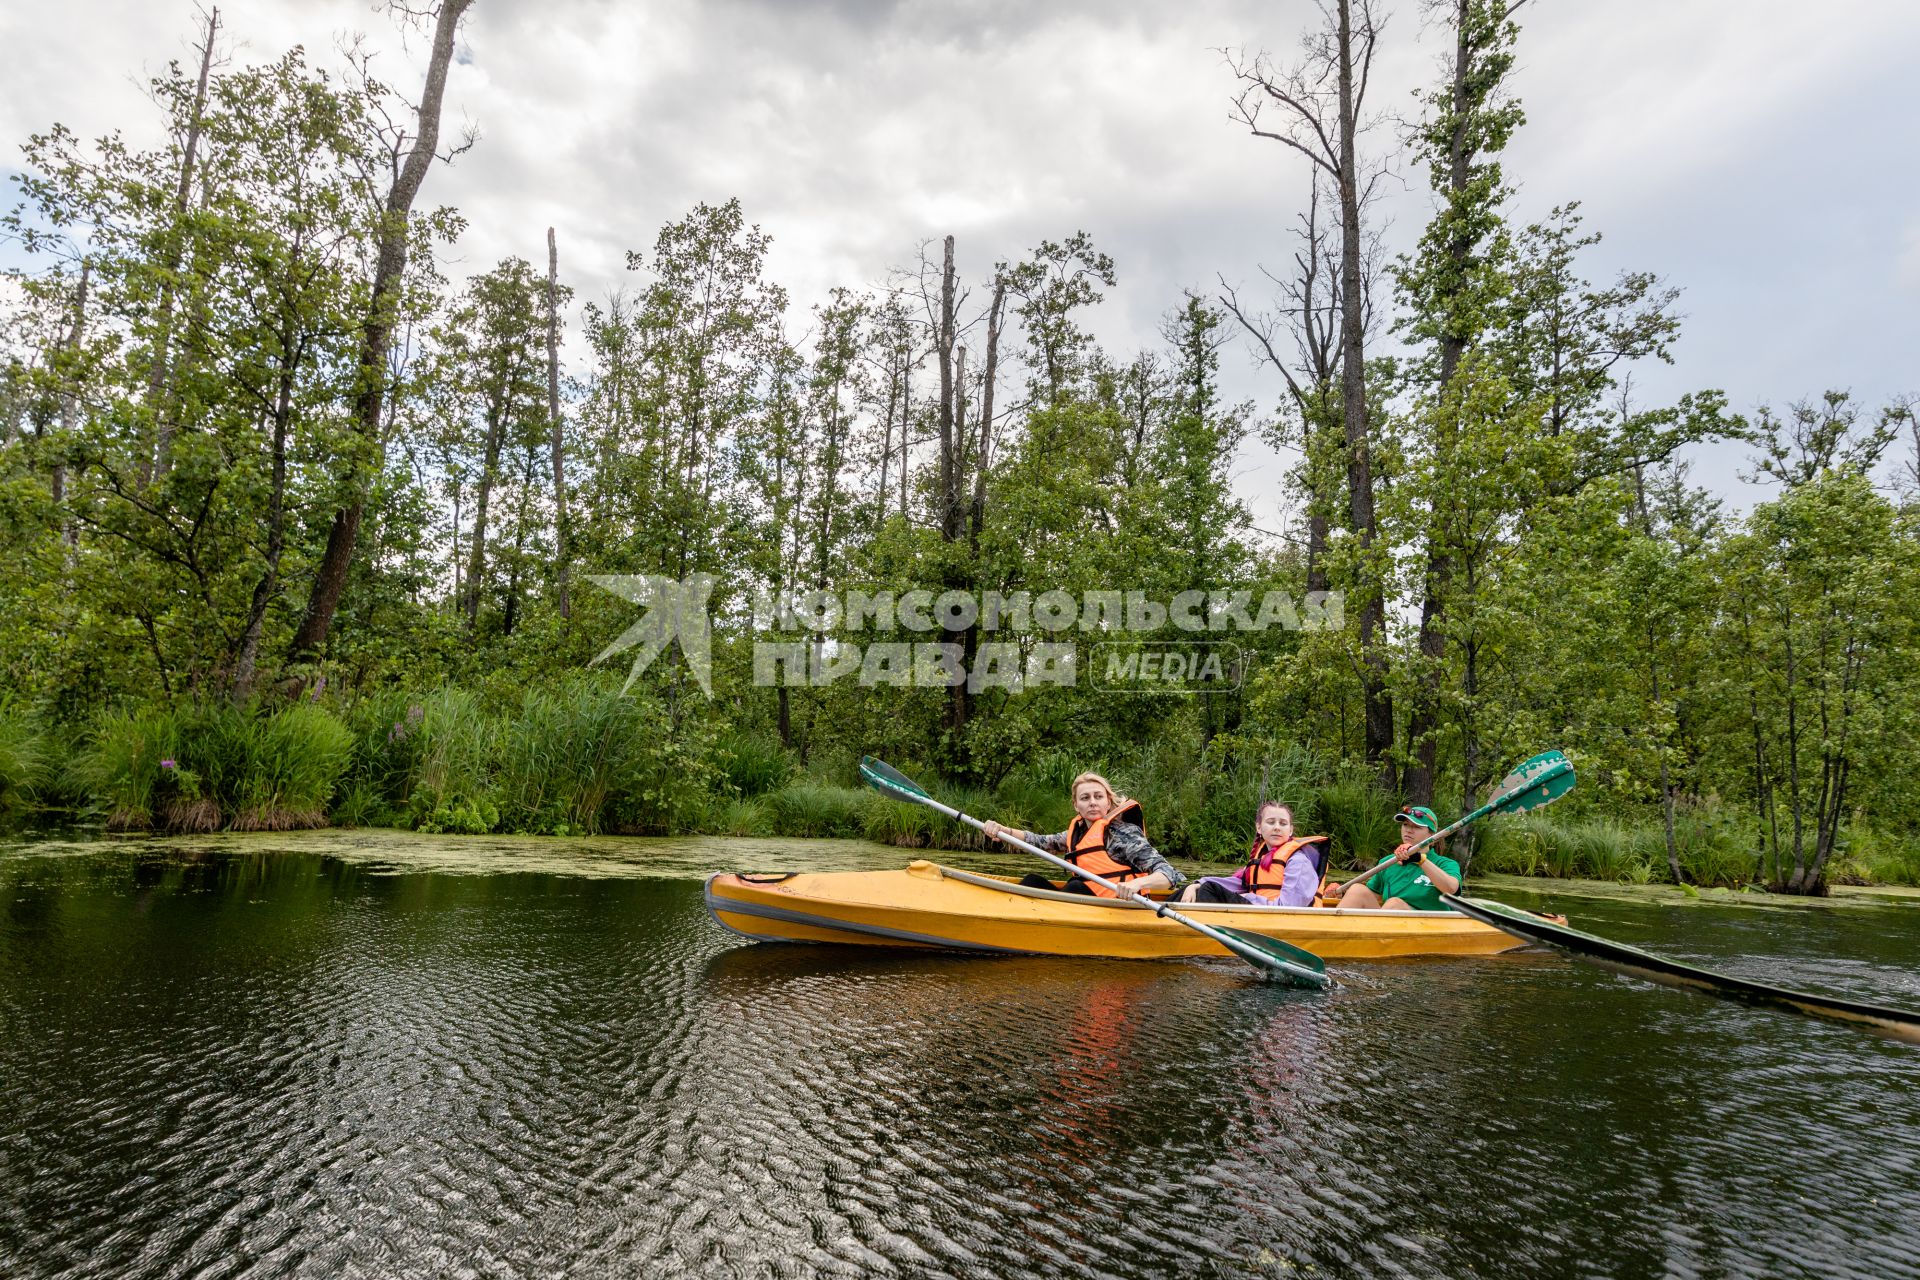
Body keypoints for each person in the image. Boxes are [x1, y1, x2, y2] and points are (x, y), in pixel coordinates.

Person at [982, 772, 1183, 899]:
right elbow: (1039, 841)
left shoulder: (1124, 834)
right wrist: (1004, 831)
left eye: (1098, 796)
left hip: (1118, 907)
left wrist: (1136, 884)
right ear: (1076, 805)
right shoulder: (1077, 833)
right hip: (1083, 900)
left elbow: (1168, 873)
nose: (1093, 802)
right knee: (1032, 880)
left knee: (1076, 886)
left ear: (1108, 802)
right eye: (1085, 798)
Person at [1174, 801, 1329, 907]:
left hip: (1278, 917)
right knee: (1198, 888)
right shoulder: (1261, 858)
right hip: (1260, 911)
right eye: (1271, 822)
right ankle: (1160, 917)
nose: (1277, 828)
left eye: (1283, 824)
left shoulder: (1298, 861)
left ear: (1291, 830)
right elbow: (1236, 884)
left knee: (1209, 890)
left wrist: (1247, 897)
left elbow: (1289, 906)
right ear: (1259, 828)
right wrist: (1196, 884)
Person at [1325, 805, 1461, 910]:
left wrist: (1420, 859)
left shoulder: (1446, 864)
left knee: (1395, 903)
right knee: (1357, 890)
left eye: (1417, 827)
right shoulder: (1387, 862)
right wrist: (1341, 895)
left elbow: (1451, 889)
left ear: (1431, 837)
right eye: (1405, 824)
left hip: (1429, 928)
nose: (1408, 830)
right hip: (1389, 926)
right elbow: (1372, 897)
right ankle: (1328, 940)